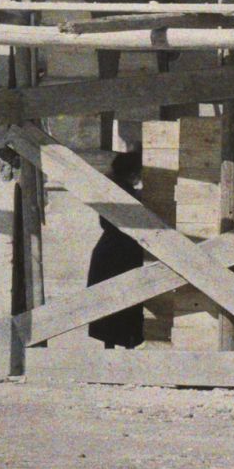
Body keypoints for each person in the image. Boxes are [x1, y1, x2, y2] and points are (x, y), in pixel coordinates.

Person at [87, 148, 147, 349]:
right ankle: (126, 347)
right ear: (133, 173)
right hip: (123, 251)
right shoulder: (126, 192)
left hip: (109, 250)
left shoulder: (112, 189)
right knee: (127, 301)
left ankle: (110, 349)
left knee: (109, 305)